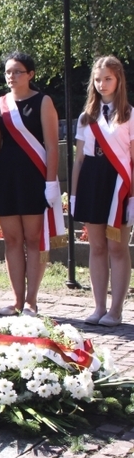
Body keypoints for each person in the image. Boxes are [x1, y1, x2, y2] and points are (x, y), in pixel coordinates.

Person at [0, 52, 61, 317]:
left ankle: (31, 300)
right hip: (6, 179)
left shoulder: (43, 101)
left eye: (17, 71)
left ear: (30, 74)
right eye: (8, 72)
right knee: (12, 240)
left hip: (34, 177)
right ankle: (16, 299)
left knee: (33, 239)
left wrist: (51, 182)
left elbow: (52, 146)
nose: (11, 77)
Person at [70, 55, 134, 327]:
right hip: (92, 182)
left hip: (119, 185)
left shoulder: (130, 115)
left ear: (118, 80)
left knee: (117, 247)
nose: (102, 84)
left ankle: (116, 310)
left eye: (108, 78)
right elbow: (79, 159)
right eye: (97, 79)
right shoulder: (86, 118)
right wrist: (73, 195)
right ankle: (98, 307)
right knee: (96, 247)